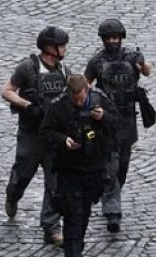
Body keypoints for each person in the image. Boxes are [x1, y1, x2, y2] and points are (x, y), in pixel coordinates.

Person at [0, 26, 71, 248]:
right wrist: (26, 104)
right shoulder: (27, 68)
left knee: (55, 182)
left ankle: (51, 227)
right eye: (61, 46)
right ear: (50, 48)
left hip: (53, 136)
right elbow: (7, 90)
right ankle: (13, 195)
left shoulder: (64, 71)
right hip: (31, 135)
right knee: (22, 175)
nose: (64, 49)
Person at [84, 18, 151, 234]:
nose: (113, 41)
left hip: (128, 121)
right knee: (110, 166)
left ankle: (108, 193)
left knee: (122, 166)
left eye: (116, 38)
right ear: (103, 40)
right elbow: (85, 85)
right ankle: (112, 211)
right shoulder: (96, 62)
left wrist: (142, 64)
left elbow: (148, 70)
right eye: (109, 38)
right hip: (107, 122)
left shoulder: (132, 57)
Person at [40, 74, 117, 257]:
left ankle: (76, 247)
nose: (79, 102)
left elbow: (118, 124)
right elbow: (45, 133)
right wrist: (63, 140)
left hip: (94, 168)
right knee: (72, 215)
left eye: (82, 98)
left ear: (87, 90)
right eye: (75, 99)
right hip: (69, 170)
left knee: (84, 213)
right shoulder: (58, 107)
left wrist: (104, 117)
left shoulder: (100, 100)